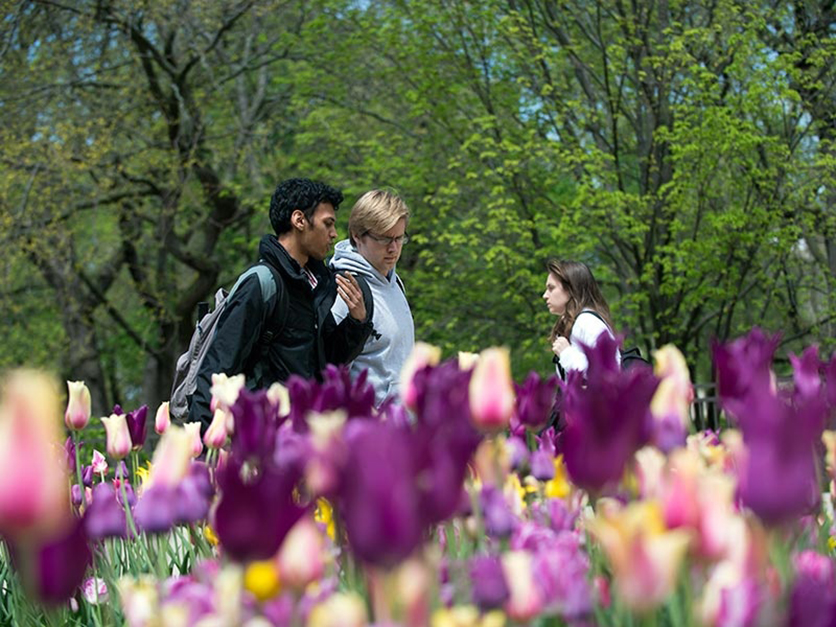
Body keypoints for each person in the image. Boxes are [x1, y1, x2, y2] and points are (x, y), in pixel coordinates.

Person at [188, 178, 374, 428]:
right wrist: (204, 453)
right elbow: (216, 371)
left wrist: (357, 322)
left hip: (301, 437)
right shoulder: (260, 284)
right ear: (299, 221)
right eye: (327, 224)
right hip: (262, 439)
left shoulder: (318, 285)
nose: (334, 234)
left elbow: (326, 361)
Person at [330, 190, 415, 405]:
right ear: (357, 236)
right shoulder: (347, 290)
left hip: (404, 425)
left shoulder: (394, 281)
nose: (393, 248)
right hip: (370, 428)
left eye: (399, 238)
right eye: (384, 238)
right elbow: (332, 377)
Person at [543, 259, 619, 379]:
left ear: (571, 289)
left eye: (551, 288)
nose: (545, 295)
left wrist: (566, 354)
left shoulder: (588, 322)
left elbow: (608, 371)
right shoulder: (574, 323)